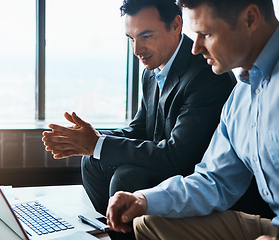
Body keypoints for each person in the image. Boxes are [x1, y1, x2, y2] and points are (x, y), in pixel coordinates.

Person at [42, 0, 235, 217]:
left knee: (127, 177)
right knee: (92, 161)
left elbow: (179, 156)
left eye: (145, 36)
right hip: (170, 163)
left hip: (193, 178)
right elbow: (140, 130)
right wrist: (92, 140)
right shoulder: (152, 72)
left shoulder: (206, 75)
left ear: (175, 26)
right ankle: (103, 229)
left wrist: (98, 144)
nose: (136, 50)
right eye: (131, 39)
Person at [106, 0, 279, 239]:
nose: (195, 48)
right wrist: (143, 199)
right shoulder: (240, 98)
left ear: (249, 19)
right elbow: (214, 180)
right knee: (147, 221)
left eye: (205, 34)